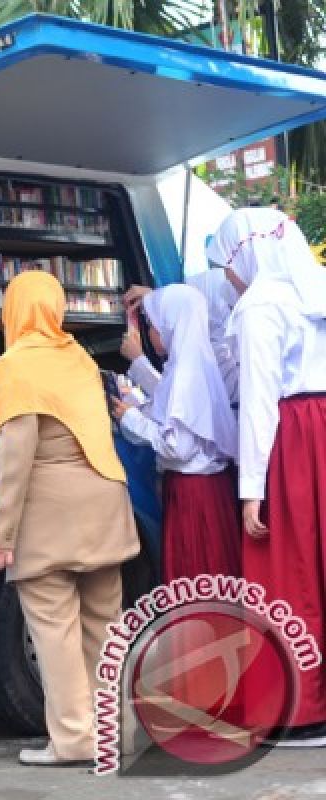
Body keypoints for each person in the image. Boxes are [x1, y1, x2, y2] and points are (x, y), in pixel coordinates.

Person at [0, 271, 139, 767]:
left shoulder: (16, 366)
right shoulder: (81, 359)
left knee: (54, 631)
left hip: (51, 517)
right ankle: (116, 733)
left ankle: (73, 740)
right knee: (105, 626)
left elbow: (15, 458)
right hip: (105, 507)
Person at [209, 207, 326, 746]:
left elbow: (258, 404)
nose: (229, 279)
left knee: (288, 570)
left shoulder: (260, 305)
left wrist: (250, 492)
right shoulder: (317, 287)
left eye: (227, 265)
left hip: (296, 437)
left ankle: (302, 710)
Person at [114, 285, 241, 581]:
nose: (151, 333)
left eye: (154, 325)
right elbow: (178, 414)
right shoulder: (195, 364)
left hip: (192, 494)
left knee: (196, 578)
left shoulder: (185, 373)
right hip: (210, 491)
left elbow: (177, 446)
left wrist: (131, 418)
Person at [123, 266, 240, 404]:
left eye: (152, 323)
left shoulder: (220, 361)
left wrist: (139, 362)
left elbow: (178, 408)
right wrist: (156, 301)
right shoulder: (196, 356)